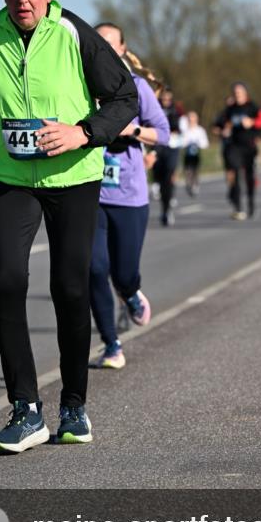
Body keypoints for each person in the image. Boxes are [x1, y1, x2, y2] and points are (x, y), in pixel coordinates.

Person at [0, 0, 138, 452]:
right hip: (12, 178)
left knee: (70, 289)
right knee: (6, 280)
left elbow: (125, 98)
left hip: (73, 177)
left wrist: (83, 133)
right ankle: (25, 410)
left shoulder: (74, 33)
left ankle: (73, 405)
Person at [89, 23, 170, 368]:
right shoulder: (78, 87)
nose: (105, 50)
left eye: (111, 44)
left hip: (129, 196)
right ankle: (111, 344)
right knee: (93, 269)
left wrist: (131, 129)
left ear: (122, 49)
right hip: (89, 194)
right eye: (98, 45)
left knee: (122, 274)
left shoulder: (136, 88)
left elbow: (163, 134)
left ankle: (131, 292)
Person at [213, 83, 261, 220]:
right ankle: (238, 207)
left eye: (240, 92)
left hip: (249, 146)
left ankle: (251, 204)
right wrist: (223, 130)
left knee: (249, 177)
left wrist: (252, 122)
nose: (237, 94)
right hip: (234, 146)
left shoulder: (253, 107)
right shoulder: (230, 109)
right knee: (236, 173)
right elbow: (218, 124)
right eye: (235, 92)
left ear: (245, 93)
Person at [152, 88, 181, 226]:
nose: (166, 101)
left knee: (168, 177)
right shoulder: (154, 108)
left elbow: (182, 127)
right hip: (158, 146)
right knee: (159, 176)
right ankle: (158, 189)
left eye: (168, 99)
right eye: (164, 98)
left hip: (172, 147)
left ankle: (166, 210)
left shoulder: (177, 110)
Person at [180, 111, 209, 196]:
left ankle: (195, 184)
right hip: (187, 154)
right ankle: (189, 185)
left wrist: (198, 144)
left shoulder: (200, 130)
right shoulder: (185, 130)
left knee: (195, 170)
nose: (191, 120)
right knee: (187, 170)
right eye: (190, 118)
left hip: (196, 154)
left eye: (193, 118)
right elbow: (181, 142)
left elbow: (205, 143)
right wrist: (187, 143)